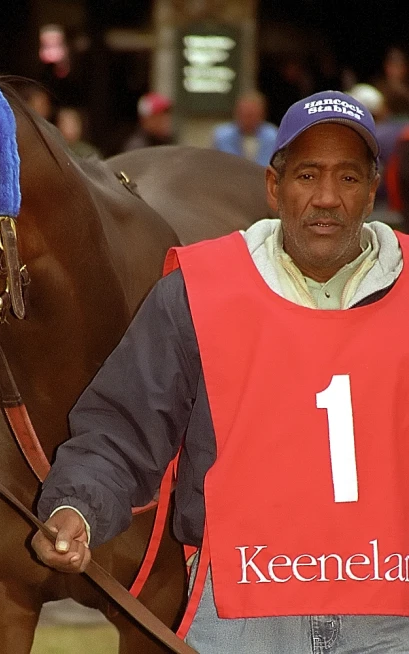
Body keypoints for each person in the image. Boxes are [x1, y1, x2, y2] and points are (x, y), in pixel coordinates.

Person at [32, 90, 409, 653]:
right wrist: (76, 508)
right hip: (240, 616)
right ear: (275, 188)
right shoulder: (197, 293)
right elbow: (122, 427)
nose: (327, 197)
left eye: (349, 178)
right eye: (307, 175)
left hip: (392, 616)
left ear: (372, 192)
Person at [211, 91, 278, 166]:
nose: (247, 120)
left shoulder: (273, 136)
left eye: (251, 115)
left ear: (262, 114)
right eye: (243, 114)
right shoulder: (221, 136)